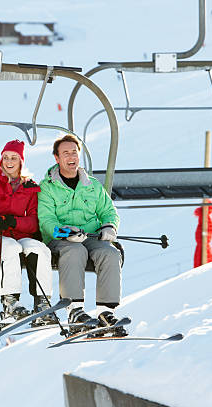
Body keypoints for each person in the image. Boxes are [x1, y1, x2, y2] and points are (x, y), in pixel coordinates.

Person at [37, 134, 126, 335]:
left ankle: (106, 312)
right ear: (57, 158)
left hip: (91, 236)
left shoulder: (92, 185)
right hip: (61, 240)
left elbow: (108, 210)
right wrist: (65, 232)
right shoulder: (48, 187)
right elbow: (46, 220)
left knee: (110, 253)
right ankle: (74, 310)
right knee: (75, 251)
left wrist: (109, 226)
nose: (71, 157)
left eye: (74, 152)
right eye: (65, 153)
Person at [0, 140, 55, 325]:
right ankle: (9, 303)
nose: (9, 161)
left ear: (21, 161)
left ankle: (42, 302)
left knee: (39, 248)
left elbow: (35, 221)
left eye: (13, 157)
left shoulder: (30, 187)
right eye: (5, 157)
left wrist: (15, 222)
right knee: (10, 247)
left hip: (20, 236)